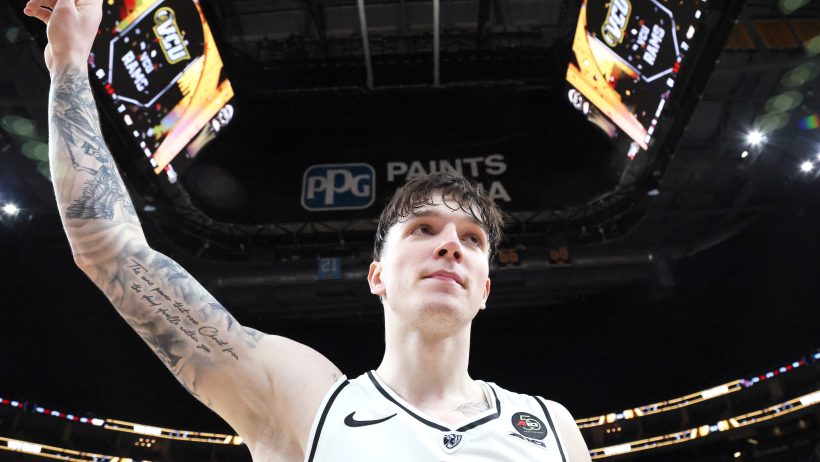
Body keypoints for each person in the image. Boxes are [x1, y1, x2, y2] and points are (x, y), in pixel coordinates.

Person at [24, 0, 592, 460]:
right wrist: (69, 65)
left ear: (485, 288)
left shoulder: (552, 429)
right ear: (376, 276)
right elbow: (108, 250)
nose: (451, 244)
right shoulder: (303, 399)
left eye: (472, 240)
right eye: (423, 229)